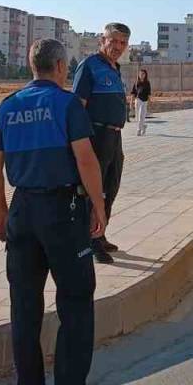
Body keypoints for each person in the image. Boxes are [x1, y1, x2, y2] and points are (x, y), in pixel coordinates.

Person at [0, 39, 106, 385]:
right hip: (63, 212)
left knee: (24, 307)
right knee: (75, 301)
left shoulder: (8, 106)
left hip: (22, 210)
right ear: (60, 67)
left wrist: (1, 214)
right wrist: (98, 207)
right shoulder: (67, 104)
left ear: (31, 66)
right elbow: (86, 159)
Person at [72, 22, 130, 264]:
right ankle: (91, 242)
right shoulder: (90, 66)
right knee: (94, 189)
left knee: (111, 186)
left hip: (114, 137)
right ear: (102, 40)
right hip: (96, 136)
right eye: (113, 41)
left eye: (123, 43)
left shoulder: (115, 68)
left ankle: (100, 232)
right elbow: (77, 107)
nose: (117, 47)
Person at [130, 69, 152, 136]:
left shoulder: (147, 83)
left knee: (141, 116)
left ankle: (139, 130)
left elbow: (149, 93)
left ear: (145, 75)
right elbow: (133, 93)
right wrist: (131, 102)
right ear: (138, 75)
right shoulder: (136, 82)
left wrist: (150, 102)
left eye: (143, 74)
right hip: (137, 100)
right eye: (140, 74)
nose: (142, 75)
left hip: (144, 101)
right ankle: (143, 126)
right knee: (137, 116)